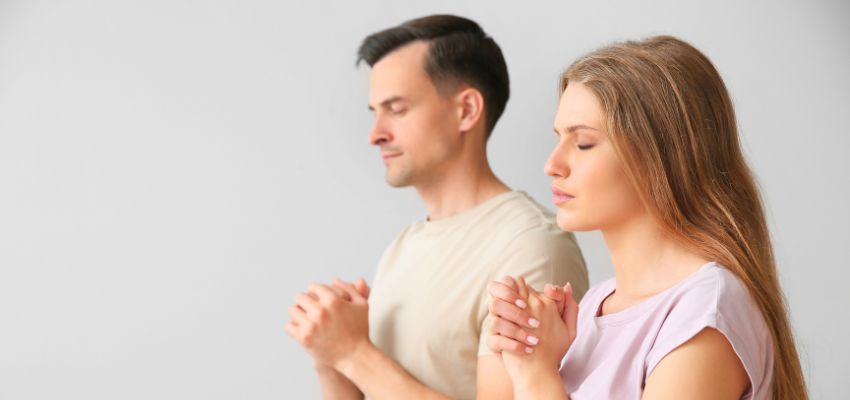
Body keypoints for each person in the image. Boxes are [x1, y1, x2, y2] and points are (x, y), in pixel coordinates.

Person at [485, 36, 808, 399]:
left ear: (659, 157)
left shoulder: (705, 313)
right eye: (558, 138)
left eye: (583, 143)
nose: (551, 165)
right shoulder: (594, 305)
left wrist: (536, 375)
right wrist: (521, 352)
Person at [285, 15, 589, 399]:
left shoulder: (532, 246)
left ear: (466, 110)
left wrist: (353, 354)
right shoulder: (404, 246)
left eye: (396, 109)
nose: (375, 134)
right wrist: (329, 358)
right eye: (375, 112)